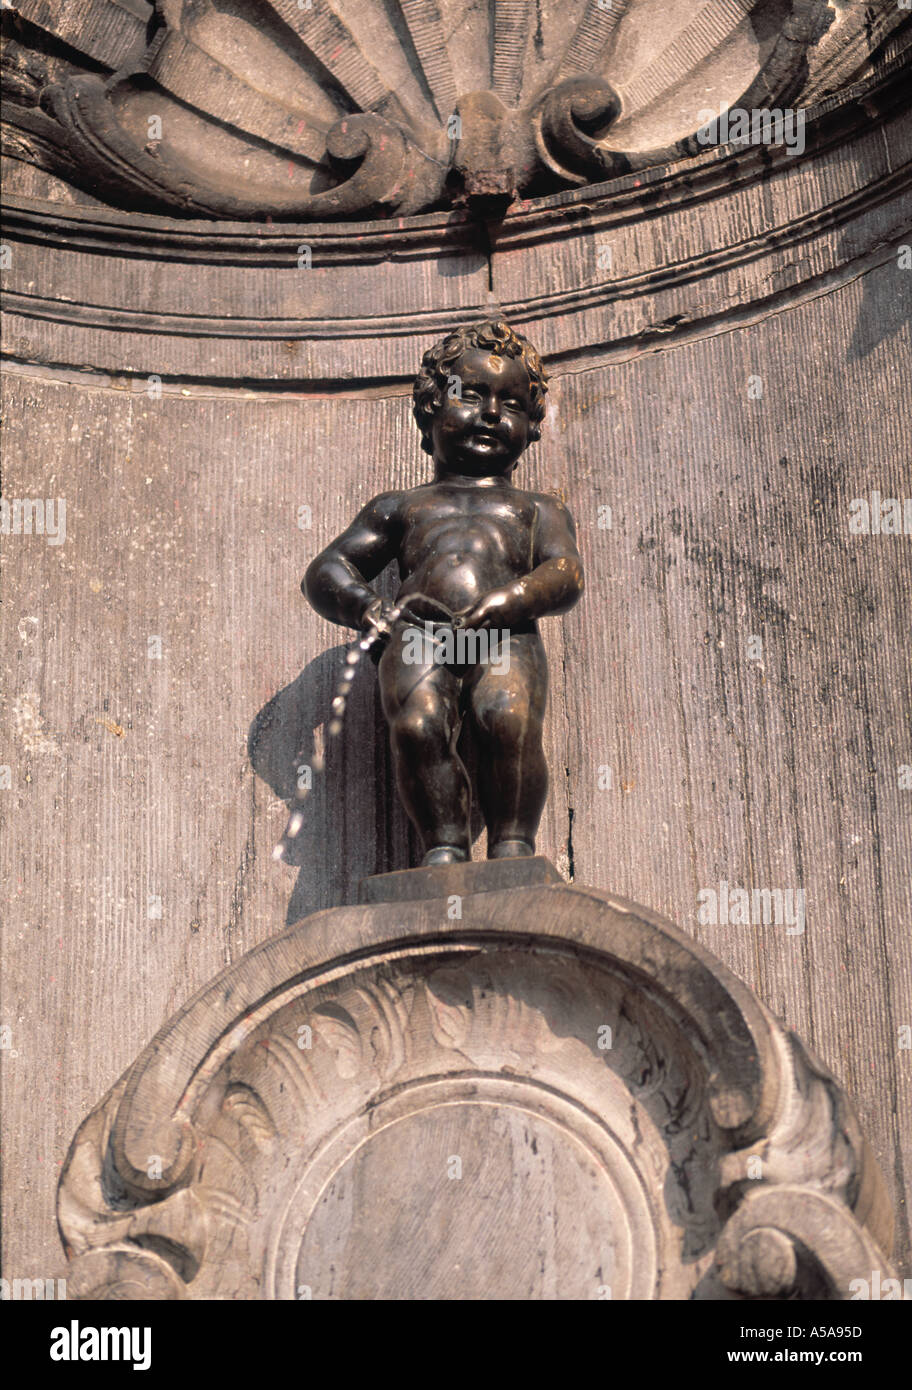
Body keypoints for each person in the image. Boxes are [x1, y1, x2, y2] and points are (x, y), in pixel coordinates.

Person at [304, 319, 584, 865]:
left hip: (503, 633)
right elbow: (328, 568)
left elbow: (566, 572)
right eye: (471, 395)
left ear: (531, 426)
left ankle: (513, 847)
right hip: (421, 634)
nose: (490, 414)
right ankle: (444, 848)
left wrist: (514, 599)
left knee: (509, 719)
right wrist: (367, 610)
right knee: (417, 724)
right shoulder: (402, 506)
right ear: (429, 411)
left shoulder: (537, 510)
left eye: (511, 404)